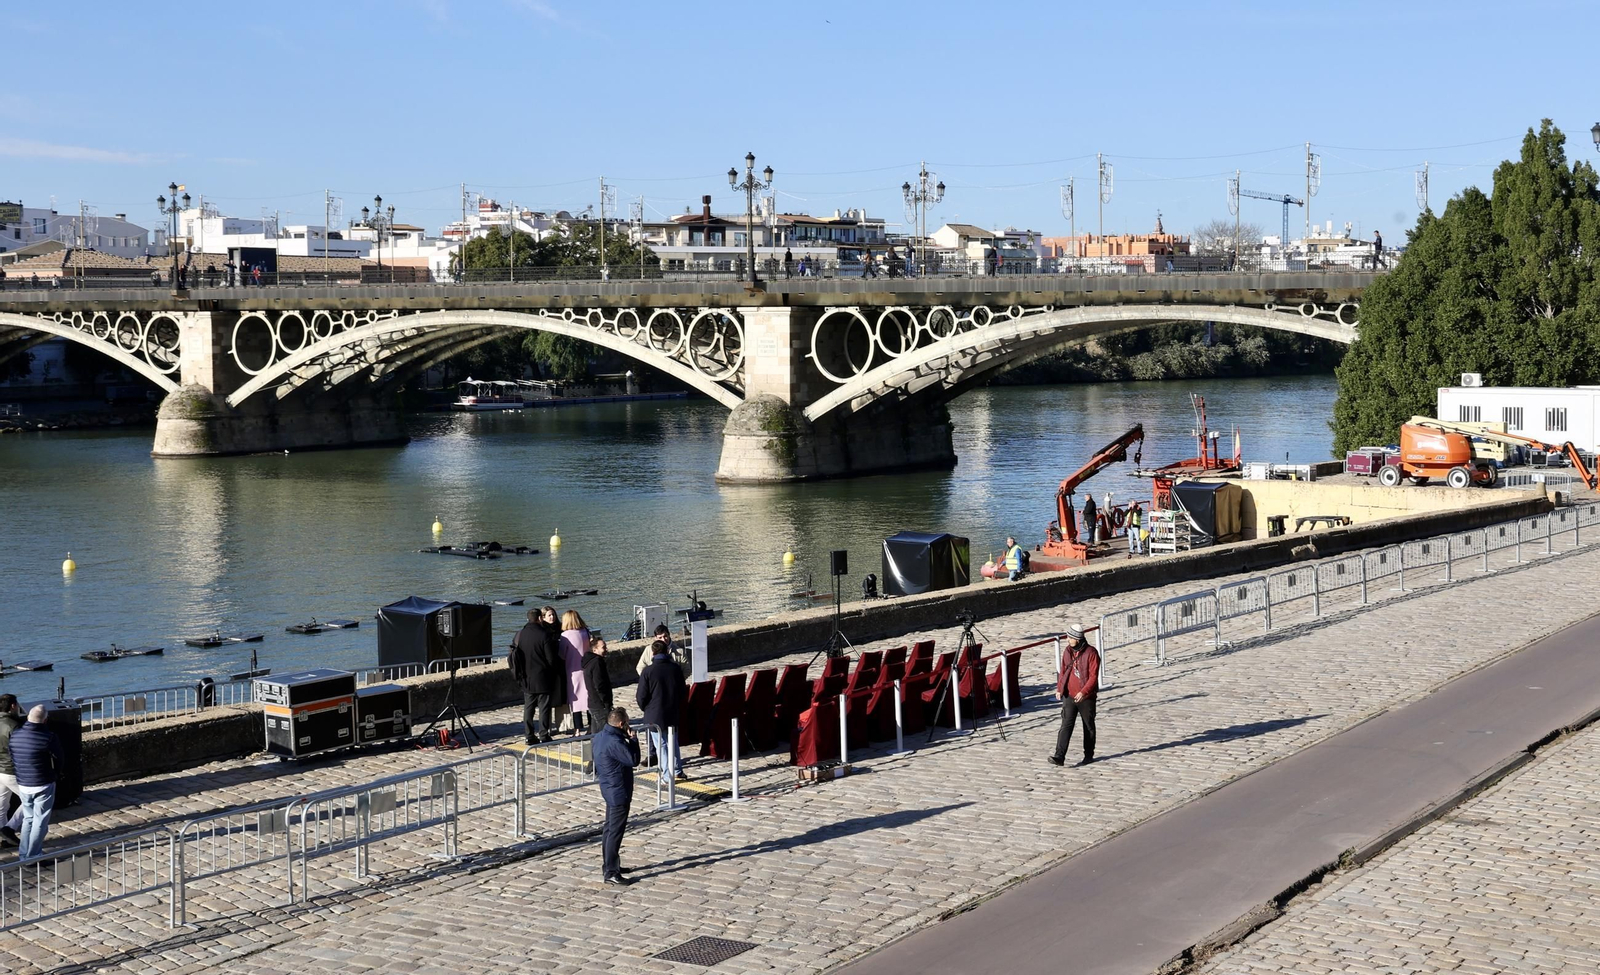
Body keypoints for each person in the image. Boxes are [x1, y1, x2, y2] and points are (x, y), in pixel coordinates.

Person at [592, 707, 639, 885]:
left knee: (609, 828)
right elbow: (633, 759)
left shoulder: (600, 736)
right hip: (618, 790)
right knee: (615, 832)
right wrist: (633, 740)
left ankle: (610, 865)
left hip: (609, 787)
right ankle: (611, 872)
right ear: (621, 723)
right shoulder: (615, 742)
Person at [9, 704, 63, 859]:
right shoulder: (48, 737)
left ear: (28, 717)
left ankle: (24, 854)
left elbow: (12, 756)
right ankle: (33, 856)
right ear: (45, 720)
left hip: (23, 783)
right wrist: (56, 774)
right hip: (43, 783)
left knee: (28, 819)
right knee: (40, 821)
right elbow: (59, 758)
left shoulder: (15, 735)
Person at [1048, 625, 1099, 767]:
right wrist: (1060, 688)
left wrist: (1084, 692)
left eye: (1070, 637)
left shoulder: (1091, 653)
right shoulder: (1067, 651)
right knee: (1066, 725)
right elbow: (1063, 670)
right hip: (1069, 695)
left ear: (1077, 639)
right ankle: (1059, 756)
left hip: (1086, 697)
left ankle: (1088, 754)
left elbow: (1093, 677)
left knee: (1088, 726)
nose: (1067, 639)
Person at [636, 638, 686, 779]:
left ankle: (666, 775)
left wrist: (646, 708)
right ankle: (677, 770)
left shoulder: (648, 671)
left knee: (661, 745)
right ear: (667, 651)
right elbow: (682, 691)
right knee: (673, 741)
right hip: (672, 710)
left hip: (654, 713)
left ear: (653, 653)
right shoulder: (675, 669)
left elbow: (641, 696)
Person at [511, 608, 564, 743]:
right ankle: (543, 734)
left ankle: (529, 735)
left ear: (528, 619)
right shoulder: (544, 634)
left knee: (528, 708)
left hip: (526, 677)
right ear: (540, 618)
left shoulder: (520, 634)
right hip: (542, 676)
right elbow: (551, 658)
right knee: (544, 707)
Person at [560, 610, 591, 735]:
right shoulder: (585, 632)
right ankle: (591, 726)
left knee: (575, 700)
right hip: (586, 668)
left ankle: (577, 728)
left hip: (572, 670)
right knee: (588, 698)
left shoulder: (565, 636)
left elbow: (562, 654)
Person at [0, 694, 24, 848]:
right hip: (11, 770)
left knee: (2, 805)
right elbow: (21, 750)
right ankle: (9, 829)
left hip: (0, 769)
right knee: (31, 801)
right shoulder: (14, 725)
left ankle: (4, 838)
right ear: (13, 706)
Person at [582, 637, 614, 735]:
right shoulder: (597, 663)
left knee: (596, 734)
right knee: (604, 733)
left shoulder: (590, 662)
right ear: (595, 649)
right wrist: (606, 702)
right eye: (603, 647)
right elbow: (599, 685)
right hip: (600, 704)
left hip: (593, 703)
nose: (606, 649)